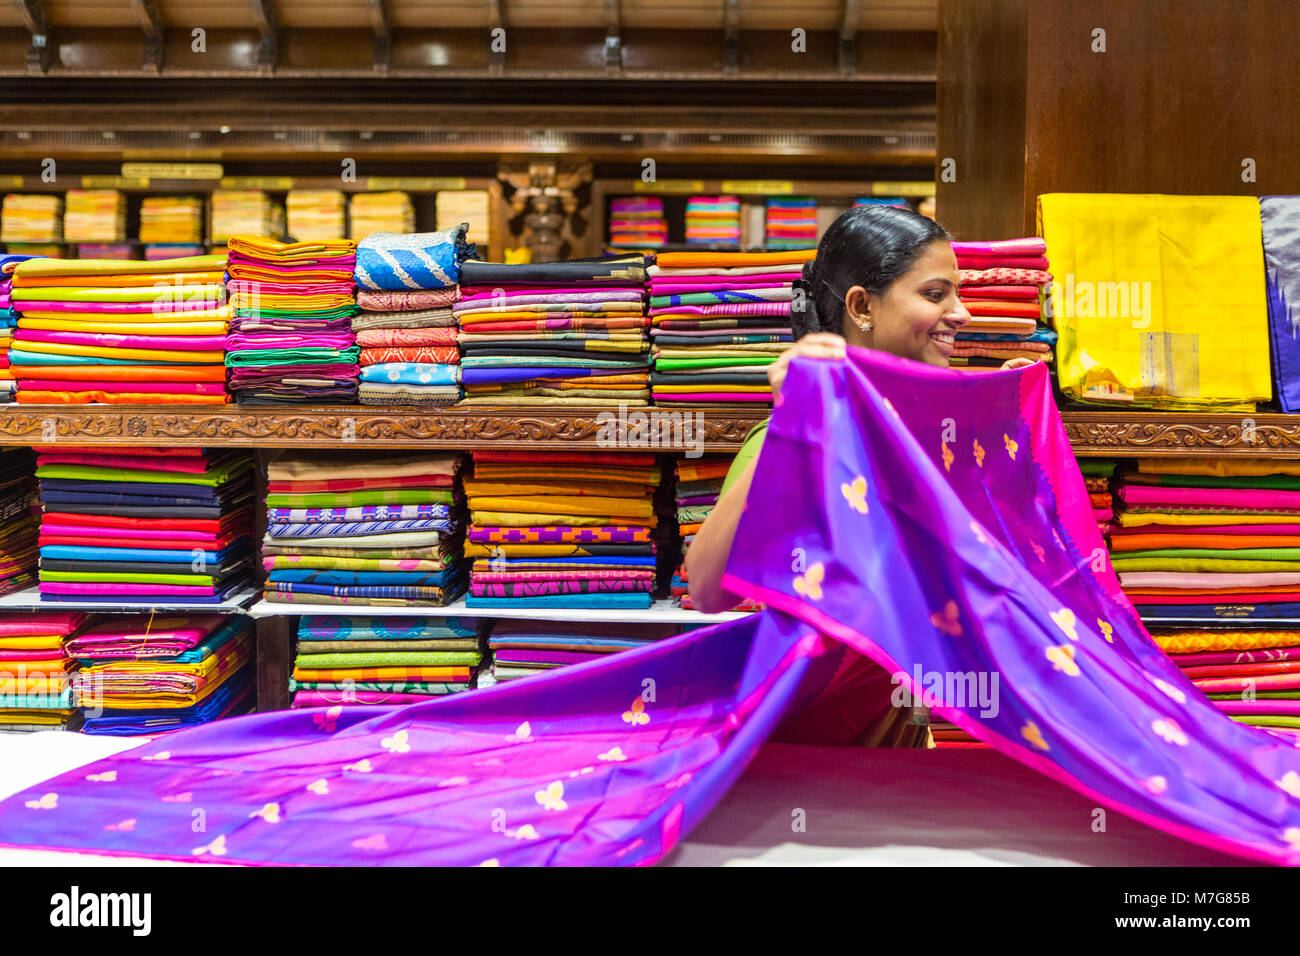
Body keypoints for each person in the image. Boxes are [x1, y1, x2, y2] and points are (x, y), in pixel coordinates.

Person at [685, 207, 1035, 744]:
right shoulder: (795, 437)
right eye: (936, 294)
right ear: (861, 306)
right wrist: (791, 423)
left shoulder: (926, 438)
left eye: (957, 294)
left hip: (898, 755)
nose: (961, 313)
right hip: (805, 761)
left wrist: (1003, 432)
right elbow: (708, 590)